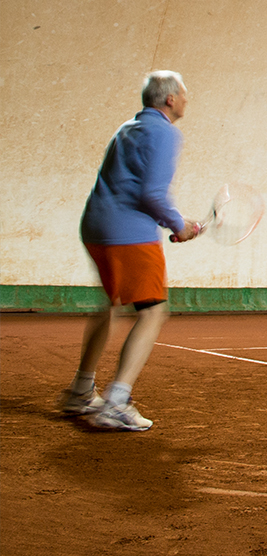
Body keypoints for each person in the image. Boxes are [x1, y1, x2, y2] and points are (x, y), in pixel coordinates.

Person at [61, 71, 203, 431]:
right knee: (153, 311)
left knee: (109, 306)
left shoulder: (129, 127)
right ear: (169, 99)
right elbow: (151, 195)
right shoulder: (165, 132)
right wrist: (178, 225)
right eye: (184, 94)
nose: (187, 99)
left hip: (96, 226)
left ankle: (81, 391)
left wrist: (176, 221)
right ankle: (117, 402)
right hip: (129, 234)